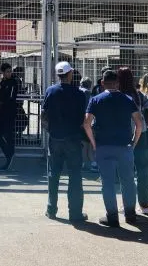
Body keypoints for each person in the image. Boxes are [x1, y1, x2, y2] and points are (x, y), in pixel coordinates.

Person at [84, 68, 144, 228]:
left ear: (102, 83)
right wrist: (134, 142)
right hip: (124, 146)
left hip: (103, 146)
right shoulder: (127, 99)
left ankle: (112, 217)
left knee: (107, 183)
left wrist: (94, 143)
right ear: (117, 83)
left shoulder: (95, 100)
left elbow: (87, 123)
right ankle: (130, 214)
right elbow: (139, 123)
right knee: (128, 181)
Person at [41, 61, 89, 222]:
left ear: (58, 75)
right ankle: (75, 213)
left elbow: (44, 115)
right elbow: (83, 118)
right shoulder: (79, 94)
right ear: (70, 74)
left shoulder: (51, 91)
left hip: (55, 138)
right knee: (75, 175)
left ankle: (51, 209)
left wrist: (51, 131)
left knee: (53, 174)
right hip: (73, 139)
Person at [118, 67, 148, 215]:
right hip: (142, 134)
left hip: (125, 135)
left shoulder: (119, 95)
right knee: (142, 171)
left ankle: (127, 205)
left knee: (126, 172)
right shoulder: (138, 94)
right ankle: (144, 206)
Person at [0, 62, 20, 170]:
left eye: (10, 71)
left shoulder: (12, 82)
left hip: (9, 114)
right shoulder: (3, 82)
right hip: (2, 114)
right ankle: (9, 155)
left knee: (8, 136)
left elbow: (10, 98)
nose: (9, 73)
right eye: (7, 72)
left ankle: (9, 157)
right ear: (2, 72)